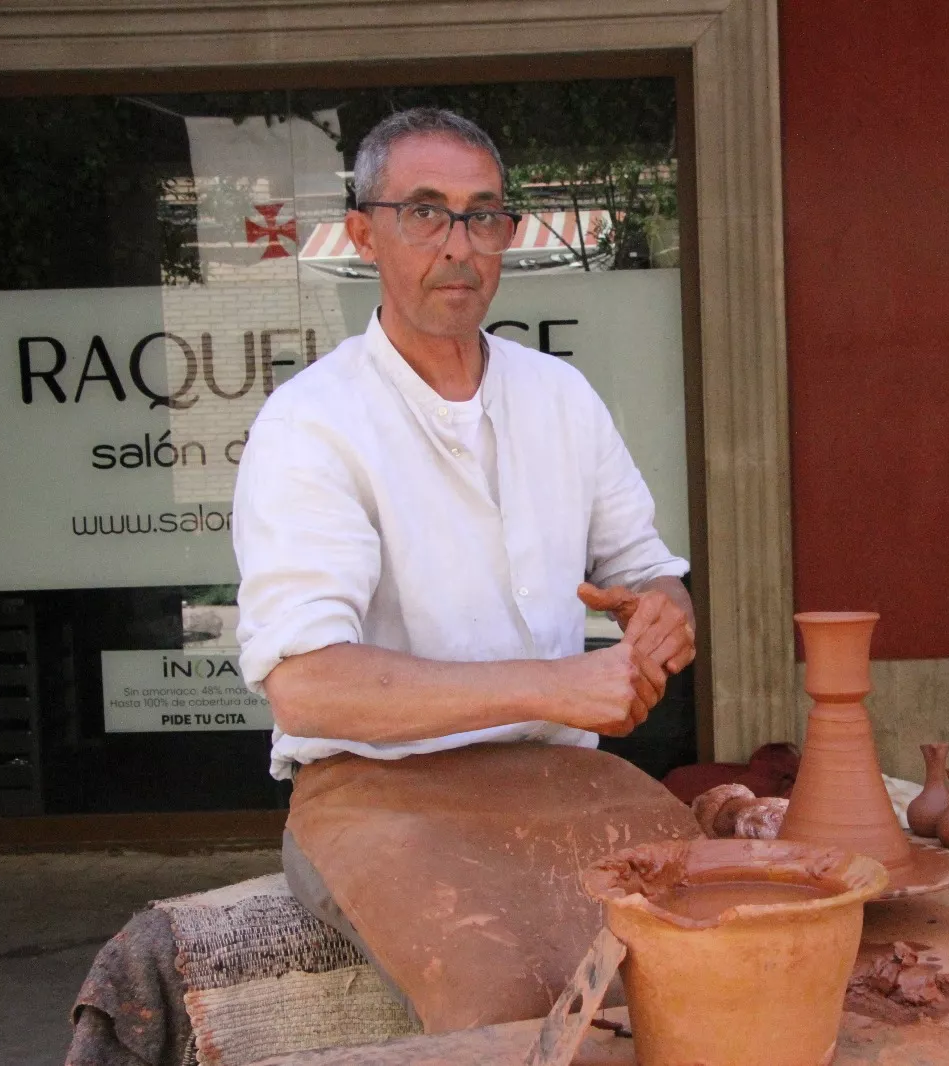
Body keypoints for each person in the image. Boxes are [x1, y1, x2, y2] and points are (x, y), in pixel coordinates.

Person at [231, 108, 700, 1032]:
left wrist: (661, 616)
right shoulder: (313, 425)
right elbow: (308, 688)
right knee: (511, 1004)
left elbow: (649, 570)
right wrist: (557, 687)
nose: (460, 245)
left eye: (484, 215)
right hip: (377, 798)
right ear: (365, 233)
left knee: (718, 939)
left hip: (564, 781)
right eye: (426, 213)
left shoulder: (557, 396)